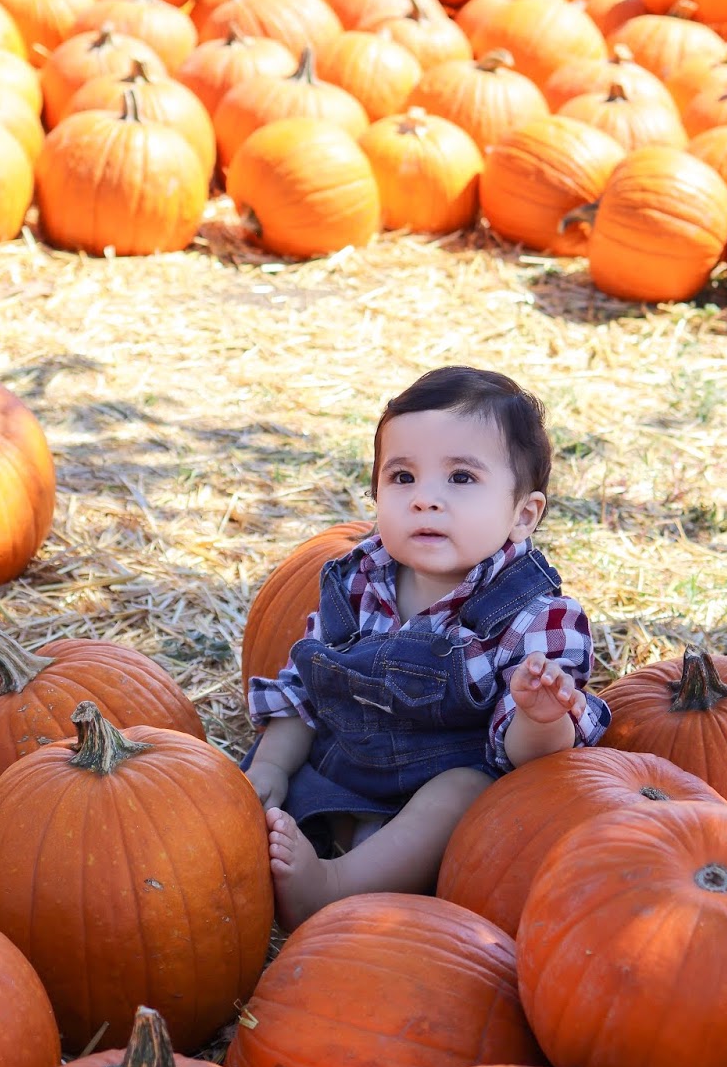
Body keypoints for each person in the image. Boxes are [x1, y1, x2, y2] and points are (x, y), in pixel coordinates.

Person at [244, 365, 611, 931]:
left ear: (522, 515)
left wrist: (541, 715)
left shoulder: (536, 616)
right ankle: (359, 842)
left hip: (440, 791)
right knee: (275, 767)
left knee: (465, 791)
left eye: (460, 477)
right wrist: (272, 763)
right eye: (403, 477)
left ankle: (332, 886)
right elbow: (307, 684)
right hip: (346, 768)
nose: (425, 500)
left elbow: (532, 765)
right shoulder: (358, 579)